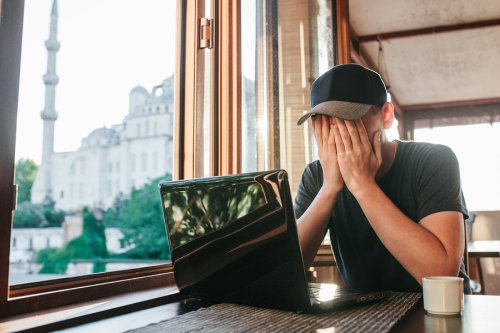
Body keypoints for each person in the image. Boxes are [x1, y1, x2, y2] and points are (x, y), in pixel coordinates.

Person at [295, 63, 471, 293]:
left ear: (386, 115)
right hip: (367, 316)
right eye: (323, 123)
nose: (336, 135)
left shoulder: (433, 160)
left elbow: (441, 274)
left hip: (441, 311)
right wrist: (329, 187)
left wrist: (363, 185)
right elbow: (284, 270)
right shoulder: (315, 176)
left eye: (347, 120)